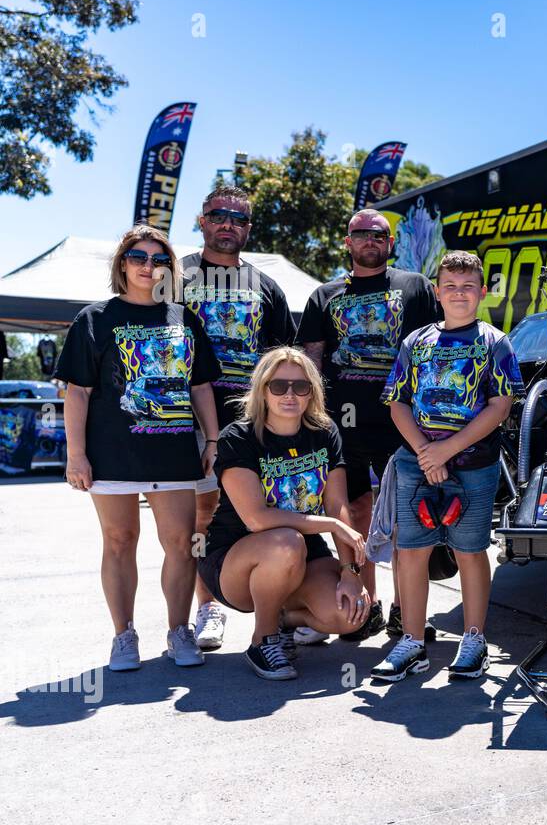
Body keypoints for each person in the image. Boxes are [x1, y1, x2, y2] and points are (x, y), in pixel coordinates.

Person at [55, 224, 221, 672]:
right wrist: (76, 454)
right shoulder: (94, 319)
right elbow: (78, 392)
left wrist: (212, 439)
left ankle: (179, 630)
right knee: (119, 540)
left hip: (174, 455)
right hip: (112, 454)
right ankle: (123, 636)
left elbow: (202, 386)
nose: (149, 266)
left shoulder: (183, 319)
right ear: (122, 264)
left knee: (181, 544)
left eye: (159, 259)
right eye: (138, 257)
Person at [375, 250, 523, 683]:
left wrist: (448, 450)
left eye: (468, 287)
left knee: (470, 549)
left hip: (474, 465)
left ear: (481, 292)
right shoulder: (416, 342)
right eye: (451, 287)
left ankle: (474, 639)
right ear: (437, 292)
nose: (459, 294)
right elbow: (398, 402)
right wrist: (426, 451)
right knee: (411, 550)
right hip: (415, 462)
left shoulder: (495, 342)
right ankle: (413, 641)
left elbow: (500, 405)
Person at [296, 209, 440, 642]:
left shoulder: (414, 286)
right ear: (347, 242)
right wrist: (311, 420)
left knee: (404, 521)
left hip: (404, 423)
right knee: (353, 515)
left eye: (378, 234)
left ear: (389, 242)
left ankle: (405, 612)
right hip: (343, 426)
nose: (370, 240)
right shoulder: (325, 295)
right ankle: (365, 608)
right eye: (361, 234)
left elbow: (436, 345)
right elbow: (312, 360)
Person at [198, 347, 371, 679]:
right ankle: (263, 640)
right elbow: (257, 518)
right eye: (278, 386)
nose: (289, 394)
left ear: (312, 392)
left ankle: (284, 619)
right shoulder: (238, 437)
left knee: (351, 614)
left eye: (300, 386)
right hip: (234, 559)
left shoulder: (324, 433)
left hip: (302, 551)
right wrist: (333, 525)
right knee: (286, 542)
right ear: (263, 390)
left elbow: (338, 505)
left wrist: (351, 571)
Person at [181, 184, 295, 652]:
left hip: (256, 424)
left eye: (239, 218)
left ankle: (279, 604)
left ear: (248, 228)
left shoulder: (266, 286)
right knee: (200, 517)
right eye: (219, 214)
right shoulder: (176, 276)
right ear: (202, 220)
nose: (228, 223)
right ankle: (206, 606)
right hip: (189, 419)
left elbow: (286, 357)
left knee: (269, 516)